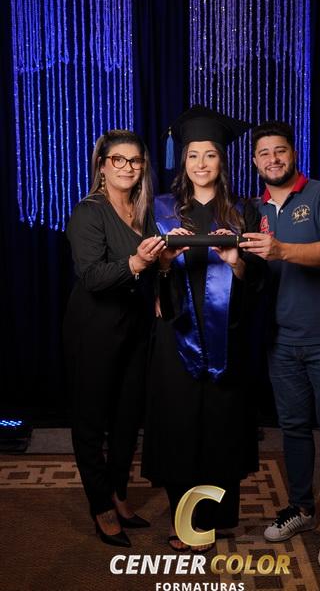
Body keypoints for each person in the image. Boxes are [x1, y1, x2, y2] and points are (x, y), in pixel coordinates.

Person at [141, 105, 262, 552]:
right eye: (193, 155)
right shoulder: (162, 209)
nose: (201, 164)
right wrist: (163, 265)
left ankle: (216, 518)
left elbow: (260, 279)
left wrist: (237, 264)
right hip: (176, 335)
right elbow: (146, 276)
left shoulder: (244, 211)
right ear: (183, 160)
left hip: (226, 336)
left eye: (210, 154)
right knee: (179, 424)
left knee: (222, 426)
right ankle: (185, 522)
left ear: (221, 160)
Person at [240, 120, 320, 568]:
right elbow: (248, 275)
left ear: (293, 153)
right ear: (255, 162)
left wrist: (281, 250)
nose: (273, 159)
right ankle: (302, 508)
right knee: (292, 428)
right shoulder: (252, 210)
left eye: (280, 150)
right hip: (281, 339)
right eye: (264, 153)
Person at [63, 129, 165, 547]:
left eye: (135, 160)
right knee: (92, 421)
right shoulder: (89, 212)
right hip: (94, 328)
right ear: (102, 166)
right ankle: (101, 505)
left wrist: (160, 278)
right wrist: (136, 263)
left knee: (127, 418)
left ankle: (119, 494)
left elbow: (155, 264)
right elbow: (91, 276)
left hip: (134, 326)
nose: (127, 167)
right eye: (118, 160)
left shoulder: (145, 210)